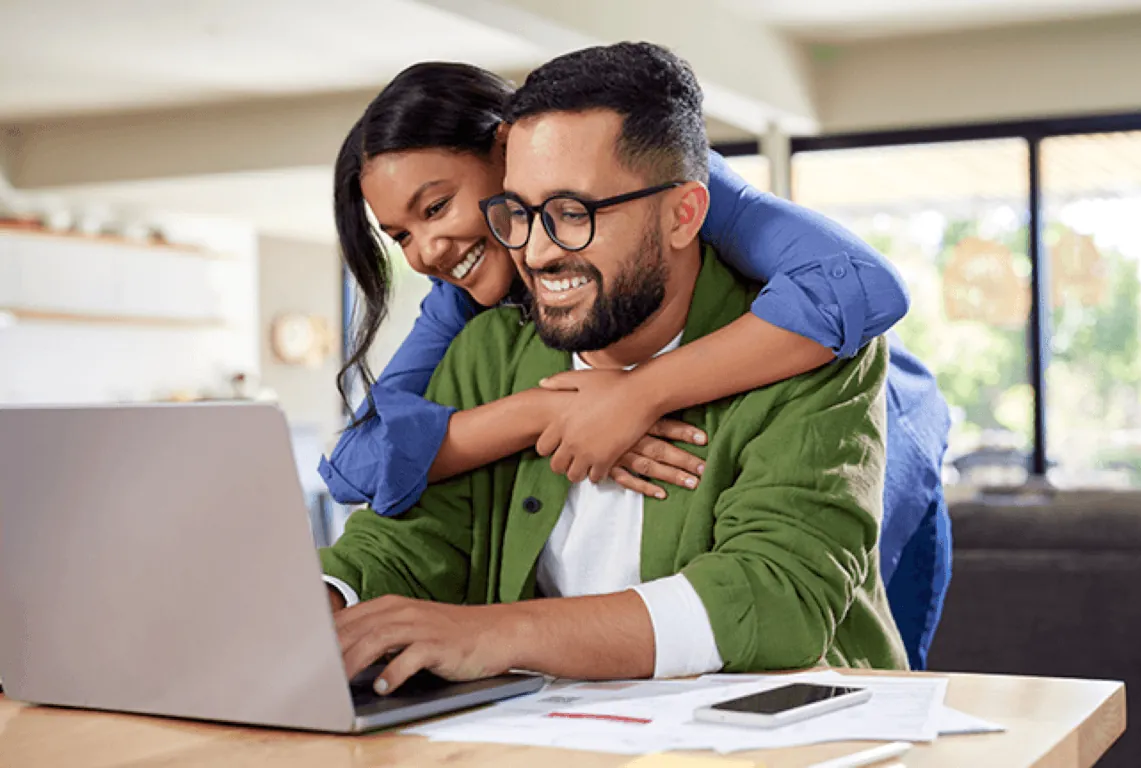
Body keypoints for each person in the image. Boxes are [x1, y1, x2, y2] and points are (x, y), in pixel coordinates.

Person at [320, 60, 952, 667]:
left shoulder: (805, 324)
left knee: (857, 613)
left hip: (896, 421)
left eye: (572, 212)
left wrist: (634, 394)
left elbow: (863, 291)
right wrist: (315, 605)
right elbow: (380, 490)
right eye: (520, 213)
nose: (536, 251)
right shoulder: (475, 331)